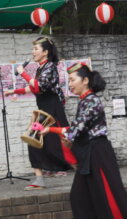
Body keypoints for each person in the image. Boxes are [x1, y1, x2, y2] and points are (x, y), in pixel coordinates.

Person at [41, 63, 127, 219]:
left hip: (98, 155)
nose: (70, 84)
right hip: (89, 154)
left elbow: (74, 131)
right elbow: (76, 128)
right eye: (68, 81)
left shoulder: (91, 101)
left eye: (72, 80)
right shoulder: (85, 101)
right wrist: (49, 130)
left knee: (108, 198)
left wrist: (51, 130)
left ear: (85, 80)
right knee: (80, 198)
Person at [5, 37, 76, 190]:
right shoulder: (40, 68)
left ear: (45, 52)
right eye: (33, 49)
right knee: (33, 141)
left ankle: (84, 169)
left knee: (64, 143)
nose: (33, 52)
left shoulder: (50, 67)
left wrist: (23, 73)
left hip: (52, 109)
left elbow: (40, 85)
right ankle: (39, 179)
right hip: (43, 109)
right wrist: (13, 91)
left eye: (36, 49)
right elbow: (34, 88)